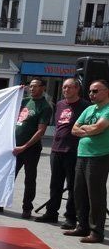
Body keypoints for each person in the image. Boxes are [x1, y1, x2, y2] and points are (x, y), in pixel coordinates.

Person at [35, 78, 90, 227]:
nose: (66, 90)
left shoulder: (85, 106)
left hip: (73, 151)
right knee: (55, 184)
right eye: (64, 87)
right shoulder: (59, 104)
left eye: (69, 87)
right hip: (56, 149)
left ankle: (71, 217)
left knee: (73, 186)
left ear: (77, 89)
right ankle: (51, 213)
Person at [63, 80, 109, 244]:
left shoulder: (108, 109)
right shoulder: (89, 109)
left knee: (95, 195)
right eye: (90, 91)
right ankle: (82, 226)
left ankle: (96, 231)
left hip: (99, 155)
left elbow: (99, 128)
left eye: (95, 91)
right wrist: (89, 130)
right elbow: (74, 129)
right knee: (79, 192)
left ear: (107, 91)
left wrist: (87, 130)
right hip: (82, 154)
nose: (91, 94)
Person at [15, 79, 52, 219]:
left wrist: (25, 146)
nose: (32, 89)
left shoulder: (45, 107)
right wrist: (16, 92)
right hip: (15, 147)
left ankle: (27, 207)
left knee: (30, 179)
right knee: (8, 176)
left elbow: (40, 131)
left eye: (35, 86)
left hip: (31, 149)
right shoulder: (24, 101)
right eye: (30, 86)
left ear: (43, 88)